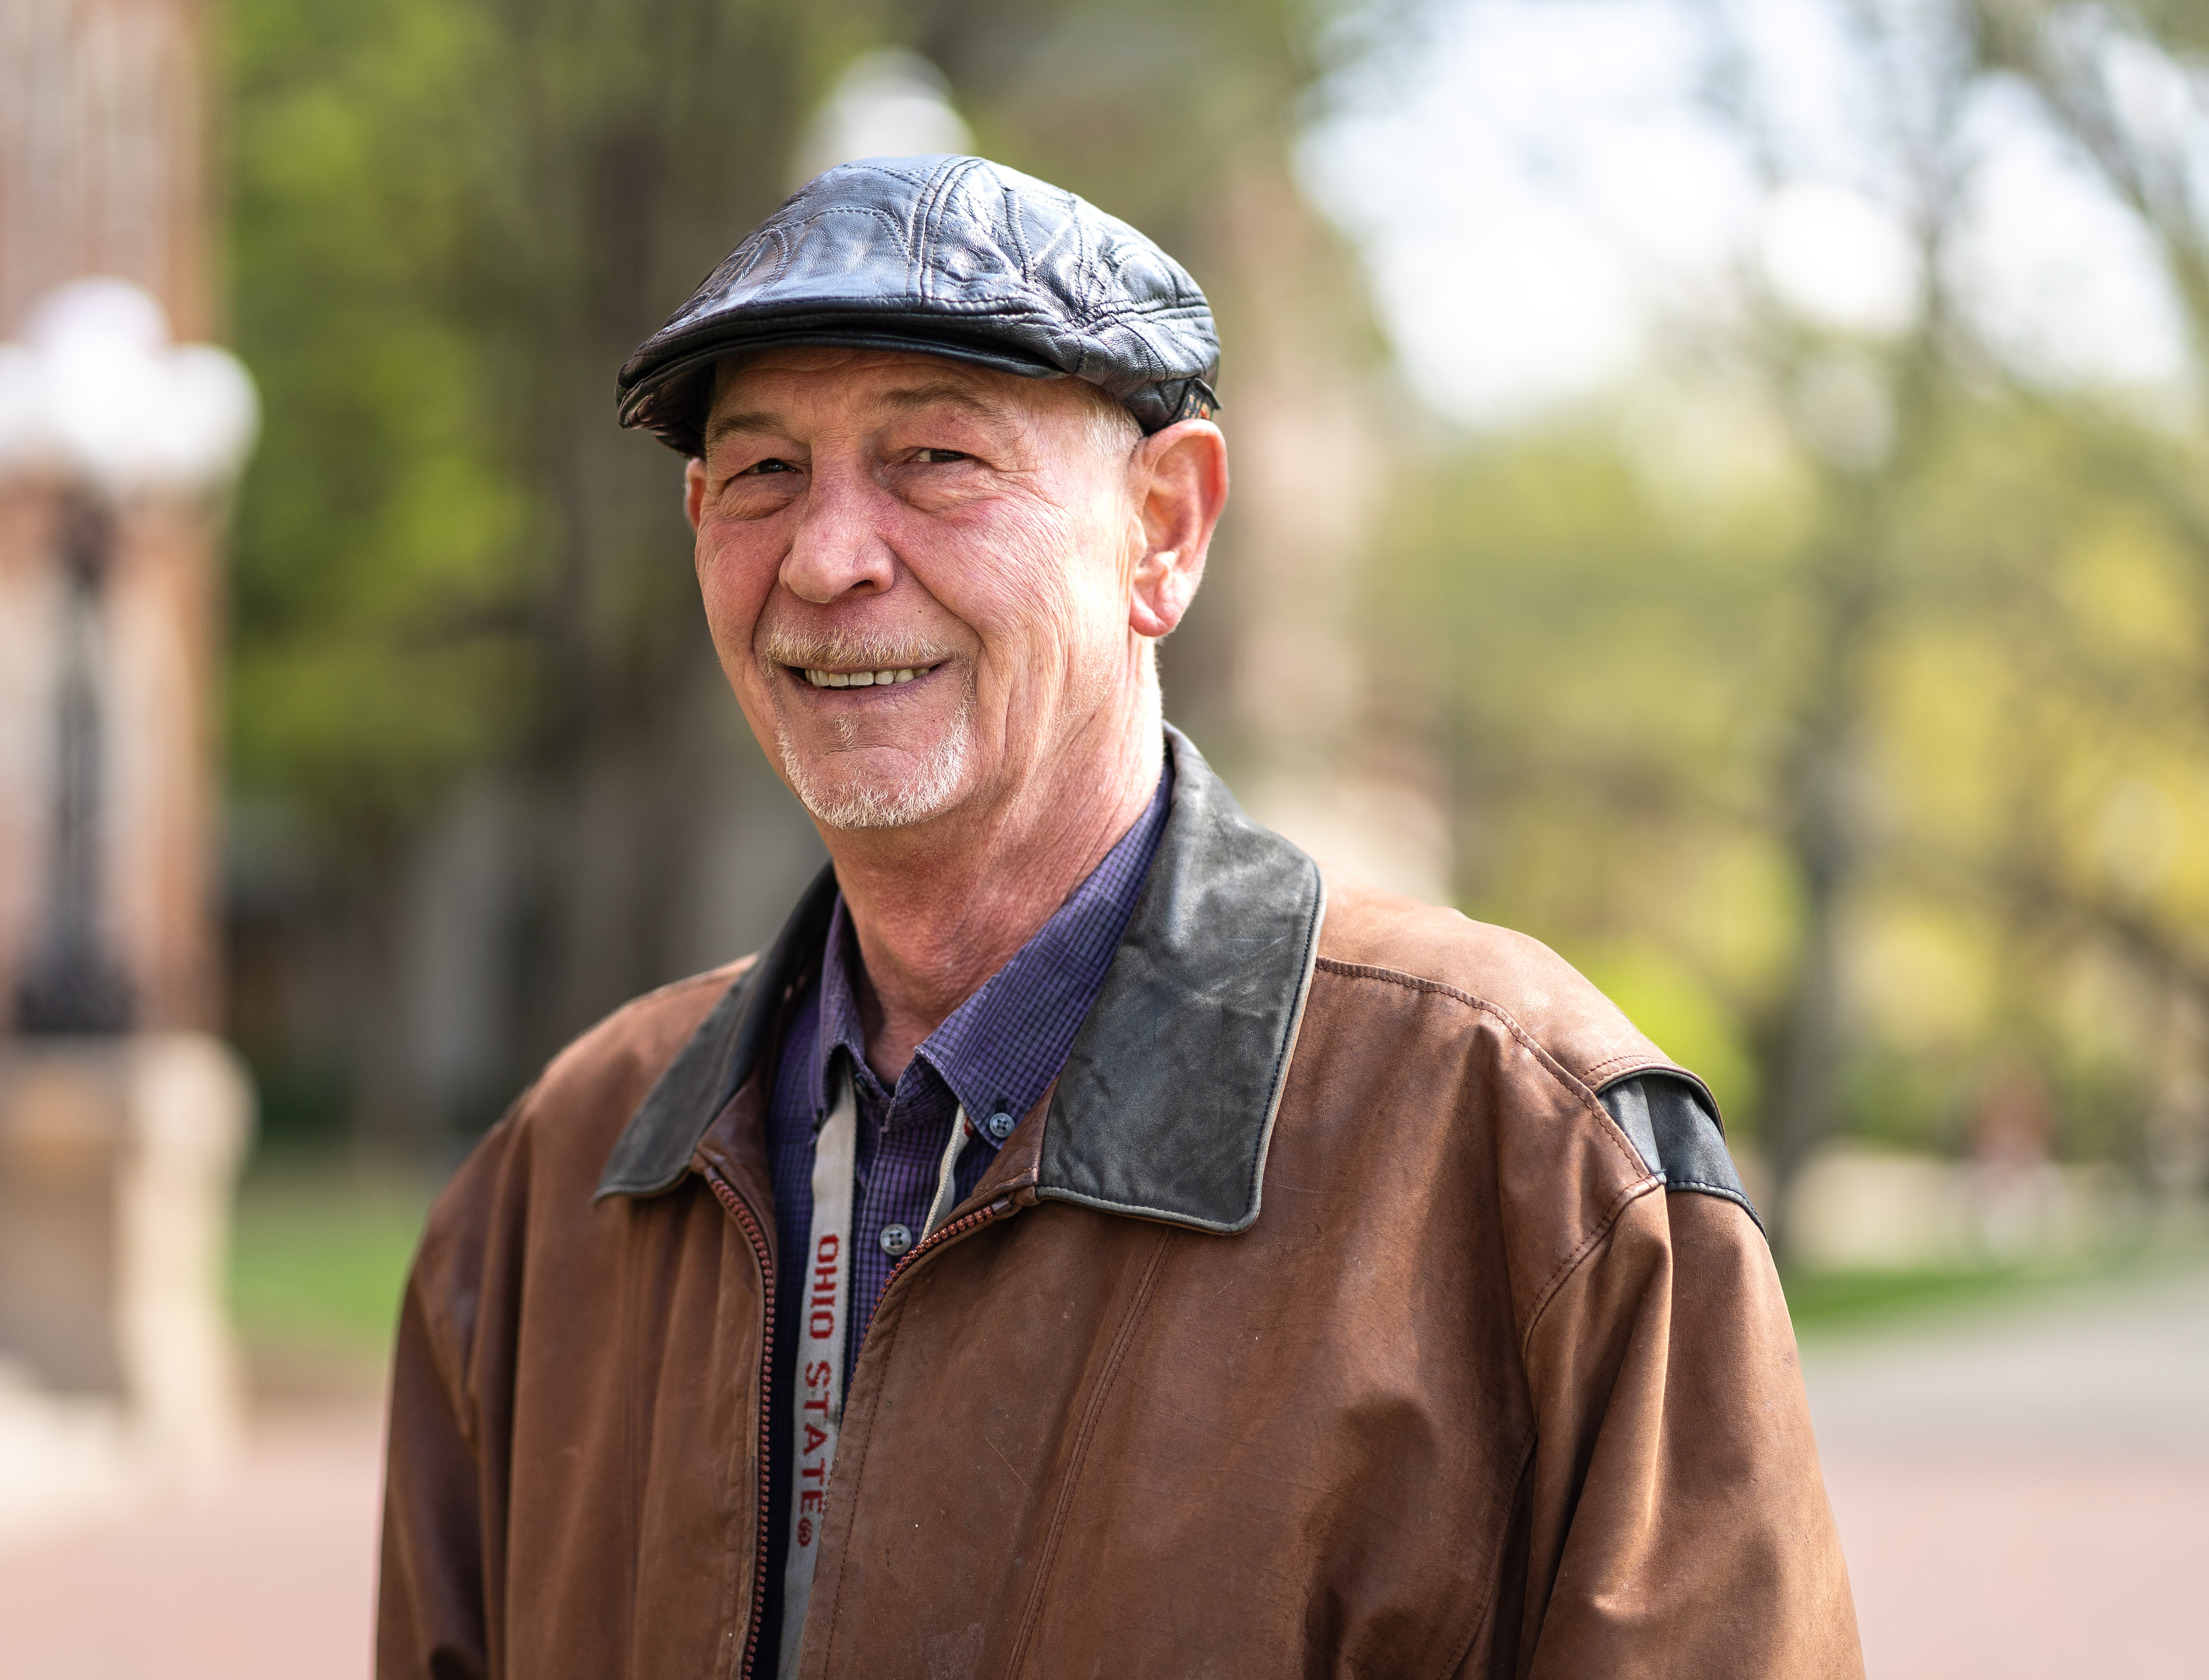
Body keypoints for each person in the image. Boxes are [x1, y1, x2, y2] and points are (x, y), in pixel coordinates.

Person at [376, 155, 1863, 1680]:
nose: (827, 558)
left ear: (1164, 528)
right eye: (763, 474)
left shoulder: (1532, 1154)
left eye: (936, 459)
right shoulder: (554, 1187)